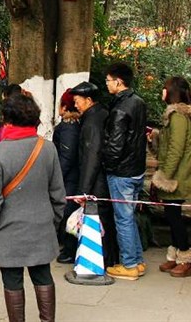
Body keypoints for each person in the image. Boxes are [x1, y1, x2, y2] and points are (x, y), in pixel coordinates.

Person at [0, 93, 65, 322]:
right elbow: (58, 194)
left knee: (12, 280)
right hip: (41, 226)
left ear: (7, 119)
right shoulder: (48, 149)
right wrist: (52, 222)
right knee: (43, 275)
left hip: (7, 229)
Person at [151, 76, 191, 278]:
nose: (162, 92)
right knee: (171, 215)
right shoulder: (177, 116)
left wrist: (164, 176)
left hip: (179, 176)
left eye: (164, 88)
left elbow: (176, 149)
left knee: (174, 217)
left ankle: (185, 257)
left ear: (170, 92)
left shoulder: (178, 118)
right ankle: (175, 254)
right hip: (178, 174)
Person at [102, 63, 148, 281]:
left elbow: (115, 144)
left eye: (108, 80)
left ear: (118, 82)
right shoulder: (138, 102)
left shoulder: (120, 108)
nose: (107, 84)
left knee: (123, 218)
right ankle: (137, 261)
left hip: (122, 172)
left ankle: (129, 264)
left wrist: (108, 165)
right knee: (129, 216)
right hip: (137, 168)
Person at [71, 81, 119, 268]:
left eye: (77, 101)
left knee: (100, 221)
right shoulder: (100, 114)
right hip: (101, 179)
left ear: (89, 100)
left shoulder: (92, 122)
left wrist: (83, 190)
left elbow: (92, 156)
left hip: (97, 182)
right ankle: (108, 258)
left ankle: (104, 259)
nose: (75, 105)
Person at [53, 90, 81, 264]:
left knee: (69, 213)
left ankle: (70, 250)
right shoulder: (75, 125)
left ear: (64, 107)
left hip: (69, 178)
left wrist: (57, 178)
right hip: (72, 176)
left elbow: (67, 156)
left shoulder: (68, 127)